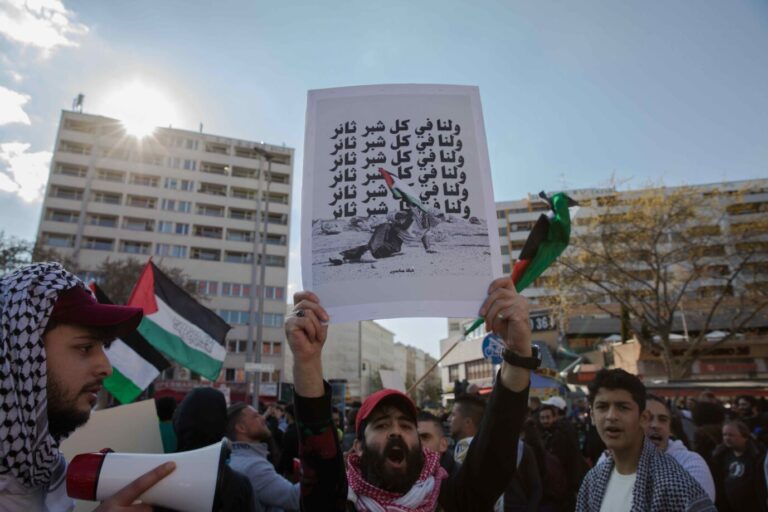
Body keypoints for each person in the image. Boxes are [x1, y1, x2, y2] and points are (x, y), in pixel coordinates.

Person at [286, 276, 534, 511]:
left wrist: (517, 352)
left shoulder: (454, 499)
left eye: (406, 426)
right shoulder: (339, 504)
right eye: (382, 425)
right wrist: (307, 361)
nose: (396, 431)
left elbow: (498, 440)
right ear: (358, 448)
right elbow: (317, 451)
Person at [0, 262, 180, 511]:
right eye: (85, 347)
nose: (106, 368)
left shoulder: (46, 470)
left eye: (103, 347)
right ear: (18, 353)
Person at [576, 368, 715, 511]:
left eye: (623, 407)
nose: (611, 416)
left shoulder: (677, 485)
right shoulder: (592, 482)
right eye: (602, 407)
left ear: (642, 418)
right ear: (592, 416)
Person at [598, 393, 716, 501]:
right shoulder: (607, 461)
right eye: (646, 419)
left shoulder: (690, 463)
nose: (655, 425)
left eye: (662, 419)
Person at [226, 402, 300, 511]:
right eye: (256, 416)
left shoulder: (235, 458)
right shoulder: (254, 466)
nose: (263, 418)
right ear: (241, 428)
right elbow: (295, 499)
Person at [331, 207, 445, 264]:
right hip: (390, 230)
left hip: (397, 241)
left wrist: (428, 248)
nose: (431, 224)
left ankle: (344, 257)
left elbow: (425, 236)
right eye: (434, 220)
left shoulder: (428, 227)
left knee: (384, 249)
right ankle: (367, 253)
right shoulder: (413, 216)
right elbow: (391, 215)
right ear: (428, 217)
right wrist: (402, 216)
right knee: (383, 230)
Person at [538, 402, 588, 512]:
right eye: (542, 418)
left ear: (554, 417)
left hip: (564, 489)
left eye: (547, 417)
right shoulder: (540, 436)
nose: (545, 421)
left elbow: (571, 462)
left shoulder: (562, 435)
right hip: (550, 490)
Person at [711, 419, 767, 512]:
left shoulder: (758, 456)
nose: (727, 438)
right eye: (725, 435)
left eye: (731, 435)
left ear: (744, 436)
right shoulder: (720, 455)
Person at [417, 411, 457, 477]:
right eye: (414, 438)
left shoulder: (459, 479)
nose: (417, 443)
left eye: (425, 437)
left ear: (443, 445)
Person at [448, 393, 485, 463]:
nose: (448, 419)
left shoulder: (476, 455)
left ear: (467, 422)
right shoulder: (462, 448)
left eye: (453, 415)